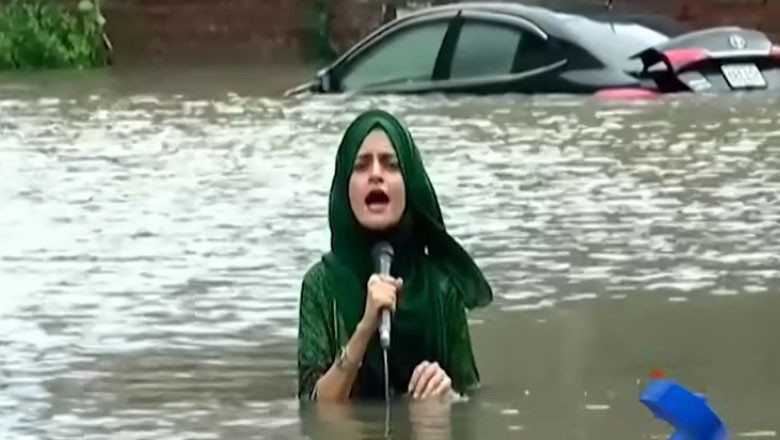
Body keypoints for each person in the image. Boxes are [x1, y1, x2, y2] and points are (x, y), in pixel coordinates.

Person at [296, 109, 493, 402]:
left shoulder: (442, 286)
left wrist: (447, 396)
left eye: (391, 165)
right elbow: (313, 410)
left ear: (409, 184)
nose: (376, 175)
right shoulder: (321, 287)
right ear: (344, 188)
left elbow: (471, 400)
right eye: (361, 166)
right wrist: (364, 329)